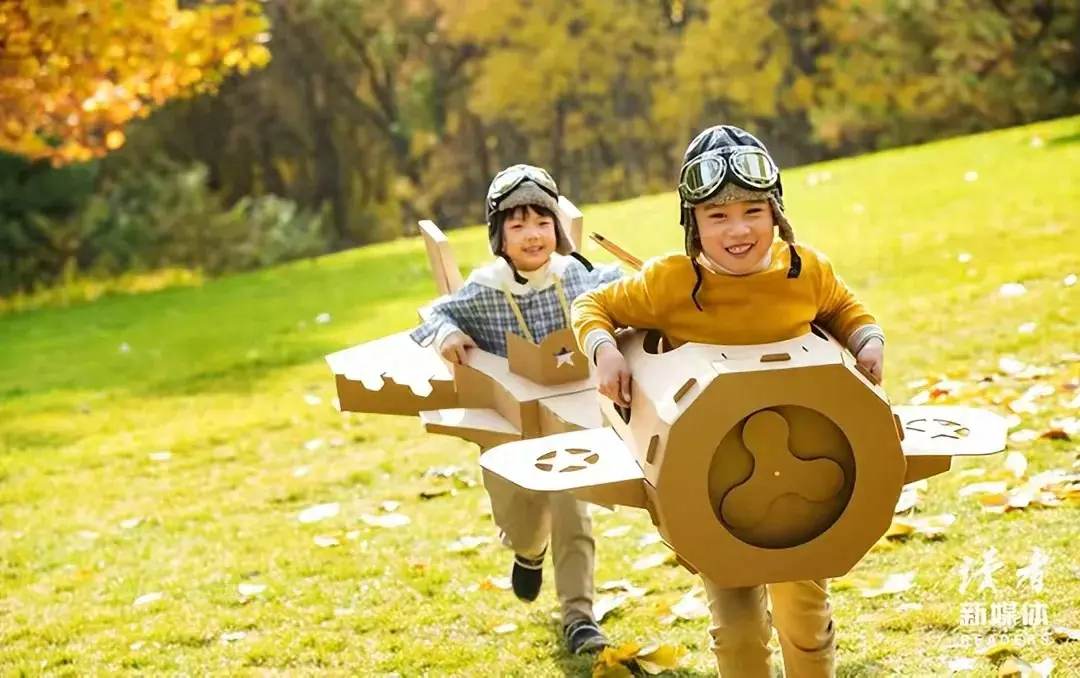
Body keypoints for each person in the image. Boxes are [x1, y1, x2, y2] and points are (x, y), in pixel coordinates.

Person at [570, 125, 885, 677]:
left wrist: (867, 339)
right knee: (738, 632)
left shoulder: (804, 269)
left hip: (805, 479)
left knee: (805, 621)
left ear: (776, 214)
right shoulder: (668, 281)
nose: (737, 230)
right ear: (694, 225)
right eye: (717, 216)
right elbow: (592, 306)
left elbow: (843, 306)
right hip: (711, 481)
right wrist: (603, 351)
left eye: (752, 212)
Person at [409, 164, 624, 655]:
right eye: (518, 224)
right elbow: (434, 314)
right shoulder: (485, 290)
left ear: (558, 229)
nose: (533, 235)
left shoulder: (580, 278)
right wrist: (447, 334)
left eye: (542, 222)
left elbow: (631, 287)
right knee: (521, 516)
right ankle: (529, 553)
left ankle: (579, 615)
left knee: (574, 508)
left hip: (572, 421)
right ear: (499, 236)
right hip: (509, 426)